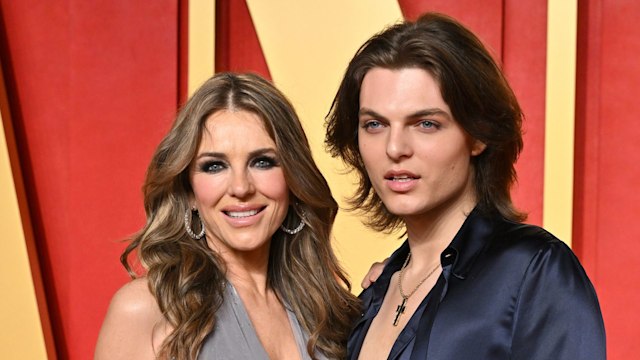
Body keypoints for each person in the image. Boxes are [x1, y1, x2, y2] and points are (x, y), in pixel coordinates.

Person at [325, 12, 605, 360]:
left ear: (477, 135)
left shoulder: (533, 272)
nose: (394, 148)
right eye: (374, 124)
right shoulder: (373, 296)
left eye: (426, 123)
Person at [95, 72, 360, 360]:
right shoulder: (145, 311)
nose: (241, 188)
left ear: (293, 181)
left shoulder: (328, 314)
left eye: (262, 162)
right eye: (214, 166)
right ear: (190, 192)